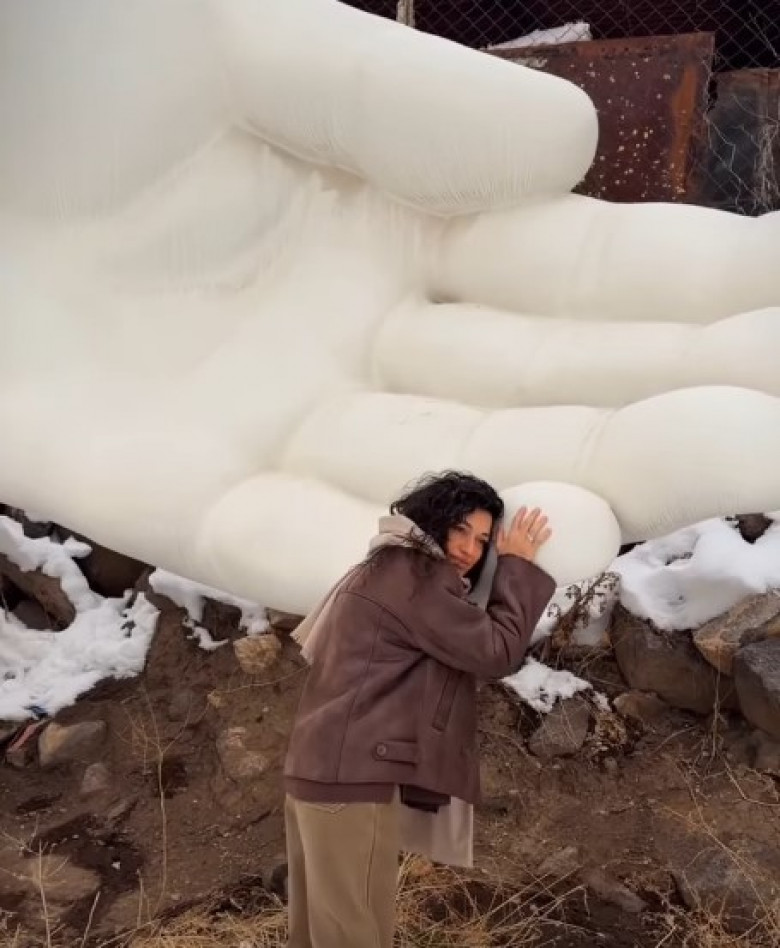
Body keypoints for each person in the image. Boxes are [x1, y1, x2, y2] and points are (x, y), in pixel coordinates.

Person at [283, 470, 555, 948]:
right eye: (460, 529)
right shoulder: (415, 577)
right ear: (433, 520)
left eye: (483, 541)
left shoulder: (381, 566)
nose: (469, 549)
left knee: (317, 935)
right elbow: (495, 650)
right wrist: (516, 567)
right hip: (352, 783)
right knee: (356, 937)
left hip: (318, 772)